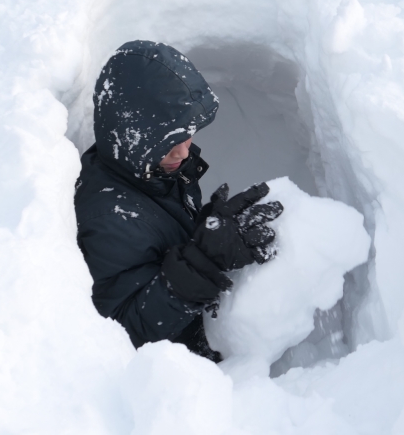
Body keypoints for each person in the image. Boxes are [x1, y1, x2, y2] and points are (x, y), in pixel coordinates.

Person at [74, 40, 283, 361]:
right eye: (169, 141)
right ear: (133, 135)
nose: (184, 151)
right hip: (174, 376)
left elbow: (163, 240)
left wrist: (207, 237)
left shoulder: (148, 168)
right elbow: (124, 331)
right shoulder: (111, 219)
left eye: (186, 134)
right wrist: (204, 262)